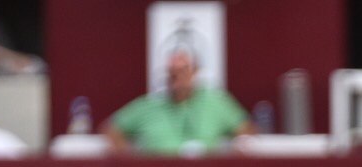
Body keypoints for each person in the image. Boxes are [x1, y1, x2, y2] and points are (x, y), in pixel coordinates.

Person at [103, 49, 251, 156]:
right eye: (172, 72)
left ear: (194, 72)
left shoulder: (217, 102)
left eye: (183, 70)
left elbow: (246, 128)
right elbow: (111, 128)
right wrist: (128, 160)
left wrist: (240, 149)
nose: (176, 76)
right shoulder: (148, 105)